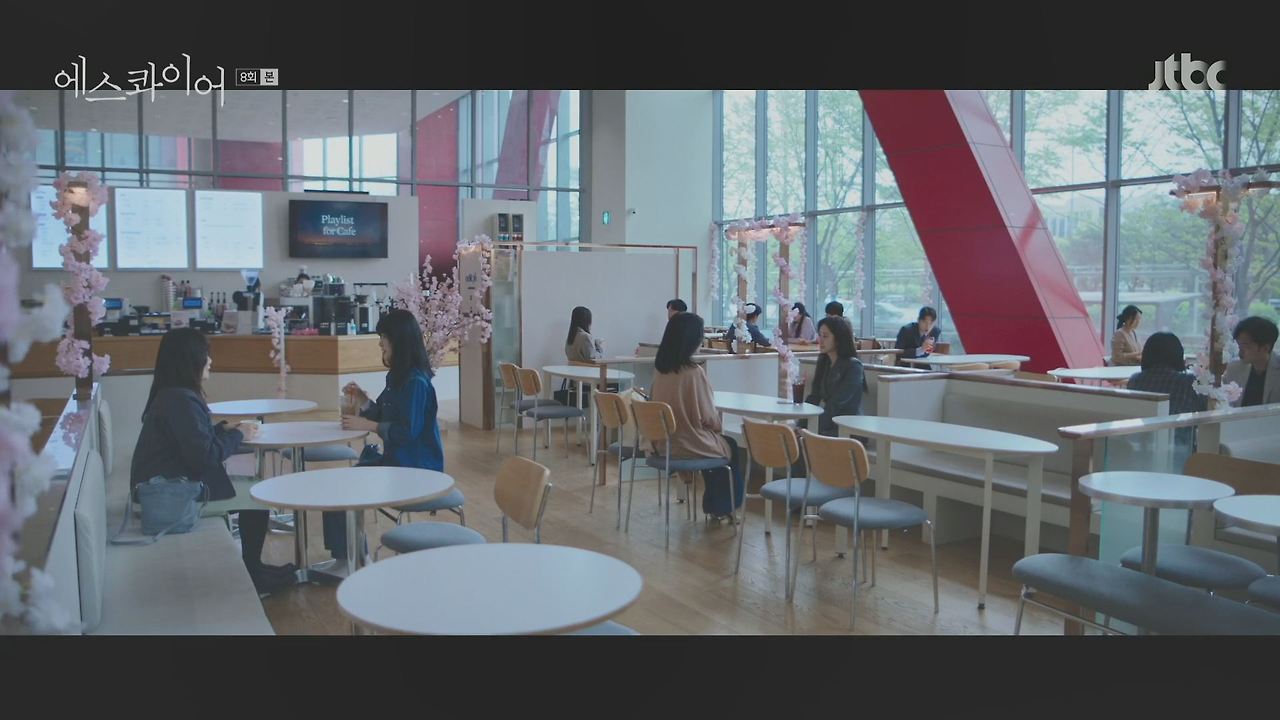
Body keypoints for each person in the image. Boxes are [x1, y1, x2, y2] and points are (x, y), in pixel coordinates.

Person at [130, 328, 295, 594]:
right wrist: (239, 434)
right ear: (190, 360)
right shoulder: (181, 400)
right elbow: (204, 458)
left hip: (163, 487)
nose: (210, 361)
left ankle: (254, 568)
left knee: (254, 488)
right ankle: (254, 574)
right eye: (205, 355)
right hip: (169, 497)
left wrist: (221, 430)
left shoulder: (171, 395)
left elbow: (189, 443)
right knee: (258, 495)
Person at [328, 309, 447, 569]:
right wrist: (363, 400)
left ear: (398, 341)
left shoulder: (416, 382)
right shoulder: (397, 377)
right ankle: (350, 557)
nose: (380, 343)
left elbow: (407, 432)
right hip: (398, 463)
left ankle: (350, 560)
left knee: (341, 488)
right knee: (337, 486)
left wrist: (369, 425)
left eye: (384, 337)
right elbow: (383, 412)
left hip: (417, 470)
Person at [650, 312, 745, 520]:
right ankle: (723, 507)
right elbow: (708, 417)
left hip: (662, 444)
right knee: (728, 446)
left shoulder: (660, 371)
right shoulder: (694, 373)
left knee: (717, 447)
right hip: (687, 443)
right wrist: (716, 429)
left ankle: (716, 505)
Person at [1127, 332, 1205, 449]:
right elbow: (1206, 411)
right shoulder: (1189, 382)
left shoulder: (1135, 380)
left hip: (1140, 447)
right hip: (1179, 449)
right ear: (1178, 355)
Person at [805, 317, 866, 436]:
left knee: (806, 440)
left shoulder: (853, 366)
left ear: (838, 339)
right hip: (828, 425)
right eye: (820, 335)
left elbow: (837, 404)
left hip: (849, 428)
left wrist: (812, 429)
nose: (820, 340)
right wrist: (801, 424)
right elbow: (814, 397)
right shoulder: (824, 361)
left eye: (825, 336)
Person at [1225, 316, 1280, 407]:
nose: (1240, 350)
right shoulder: (1233, 368)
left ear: (1265, 348)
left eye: (1246, 345)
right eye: (1239, 345)